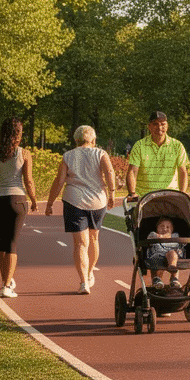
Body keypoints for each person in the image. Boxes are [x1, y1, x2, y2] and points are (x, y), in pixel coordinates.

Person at [45, 125, 117, 294]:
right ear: (93, 139)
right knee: (93, 239)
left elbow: (59, 180)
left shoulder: (68, 156)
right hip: (97, 201)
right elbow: (109, 172)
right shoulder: (101, 154)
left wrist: (50, 202)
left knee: (80, 244)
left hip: (74, 200)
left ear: (76, 140)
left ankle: (84, 281)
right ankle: (90, 272)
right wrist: (112, 193)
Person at [0, 118, 38, 297]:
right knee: (12, 242)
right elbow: (28, 181)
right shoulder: (24, 154)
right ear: (18, 134)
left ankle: (7, 281)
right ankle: (6, 286)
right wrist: (33, 200)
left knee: (3, 240)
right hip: (17, 200)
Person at [126, 111, 189, 198]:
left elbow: (182, 172)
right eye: (155, 124)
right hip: (145, 198)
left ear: (167, 126)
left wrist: (183, 195)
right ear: (149, 127)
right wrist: (132, 193)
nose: (159, 127)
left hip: (170, 197)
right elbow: (132, 172)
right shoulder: (139, 146)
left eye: (163, 124)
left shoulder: (177, 146)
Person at [145, 217, 183, 288]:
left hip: (171, 255)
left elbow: (182, 243)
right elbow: (151, 238)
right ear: (157, 228)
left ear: (172, 230)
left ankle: (174, 277)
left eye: (168, 227)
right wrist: (162, 236)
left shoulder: (175, 236)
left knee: (173, 254)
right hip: (157, 254)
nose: (165, 229)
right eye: (162, 226)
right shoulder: (153, 234)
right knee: (156, 260)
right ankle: (156, 279)